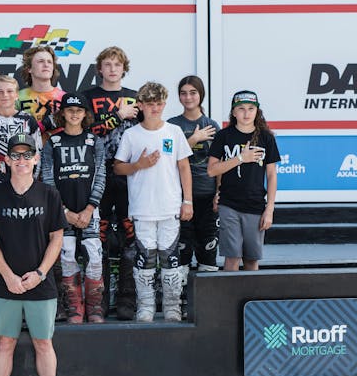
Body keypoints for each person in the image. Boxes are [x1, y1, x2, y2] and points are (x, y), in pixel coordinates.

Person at [0, 133, 68, 376]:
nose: (21, 160)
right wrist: (8, 276)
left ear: (36, 158)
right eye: (15, 155)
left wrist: (40, 273)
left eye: (27, 155)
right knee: (5, 343)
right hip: (5, 283)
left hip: (41, 283)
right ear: (6, 160)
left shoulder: (49, 194)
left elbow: (57, 239)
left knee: (43, 342)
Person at [113, 81, 193, 323]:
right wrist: (139, 165)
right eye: (149, 104)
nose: (154, 108)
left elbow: (184, 167)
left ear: (164, 104)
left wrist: (187, 201)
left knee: (171, 258)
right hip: (142, 209)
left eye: (159, 104)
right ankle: (145, 306)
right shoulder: (131, 134)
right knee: (145, 259)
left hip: (170, 207)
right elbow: (118, 167)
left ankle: (172, 306)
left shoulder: (174, 132)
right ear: (140, 105)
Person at [0, 74, 41, 321]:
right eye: (0, 92)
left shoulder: (28, 121)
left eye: (9, 91)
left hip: (24, 190)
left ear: (16, 94)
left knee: (21, 243)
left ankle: (24, 298)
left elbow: (38, 156)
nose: (5, 96)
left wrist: (33, 188)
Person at [82, 46, 139, 320]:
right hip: (97, 173)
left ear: (124, 68)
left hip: (129, 174)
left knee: (131, 236)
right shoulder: (87, 97)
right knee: (98, 237)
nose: (113, 69)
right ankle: (99, 299)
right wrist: (118, 116)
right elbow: (84, 131)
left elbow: (146, 133)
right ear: (100, 68)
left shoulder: (135, 97)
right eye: (108, 64)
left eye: (117, 64)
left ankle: (128, 298)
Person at [41, 93, 106, 323]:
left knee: (94, 255)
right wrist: (64, 211)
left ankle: (94, 306)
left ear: (86, 114)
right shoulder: (53, 143)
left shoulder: (94, 141)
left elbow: (101, 176)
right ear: (63, 113)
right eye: (70, 110)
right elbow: (47, 179)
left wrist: (89, 208)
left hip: (90, 210)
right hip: (62, 211)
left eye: (79, 110)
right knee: (67, 254)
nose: (75, 114)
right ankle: (75, 306)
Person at [207, 91, 280, 272]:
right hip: (229, 204)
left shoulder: (266, 137)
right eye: (241, 108)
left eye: (251, 108)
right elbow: (212, 170)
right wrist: (240, 158)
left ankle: (251, 292)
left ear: (257, 111)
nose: (246, 113)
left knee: (251, 259)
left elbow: (271, 175)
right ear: (233, 112)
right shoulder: (223, 136)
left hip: (255, 205)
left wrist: (270, 209)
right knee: (232, 257)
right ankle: (227, 292)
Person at [168, 75, 222, 282]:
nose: (188, 97)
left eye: (193, 93)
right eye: (183, 93)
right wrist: (193, 140)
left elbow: (219, 164)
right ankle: (179, 294)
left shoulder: (212, 125)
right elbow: (168, 159)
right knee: (182, 247)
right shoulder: (172, 126)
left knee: (208, 248)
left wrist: (218, 192)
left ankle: (208, 294)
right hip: (179, 196)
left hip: (207, 194)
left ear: (201, 95)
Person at [17, 45, 64, 140]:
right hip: (27, 147)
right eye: (41, 61)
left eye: (49, 62)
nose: (46, 65)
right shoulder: (17, 97)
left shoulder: (64, 97)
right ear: (29, 68)